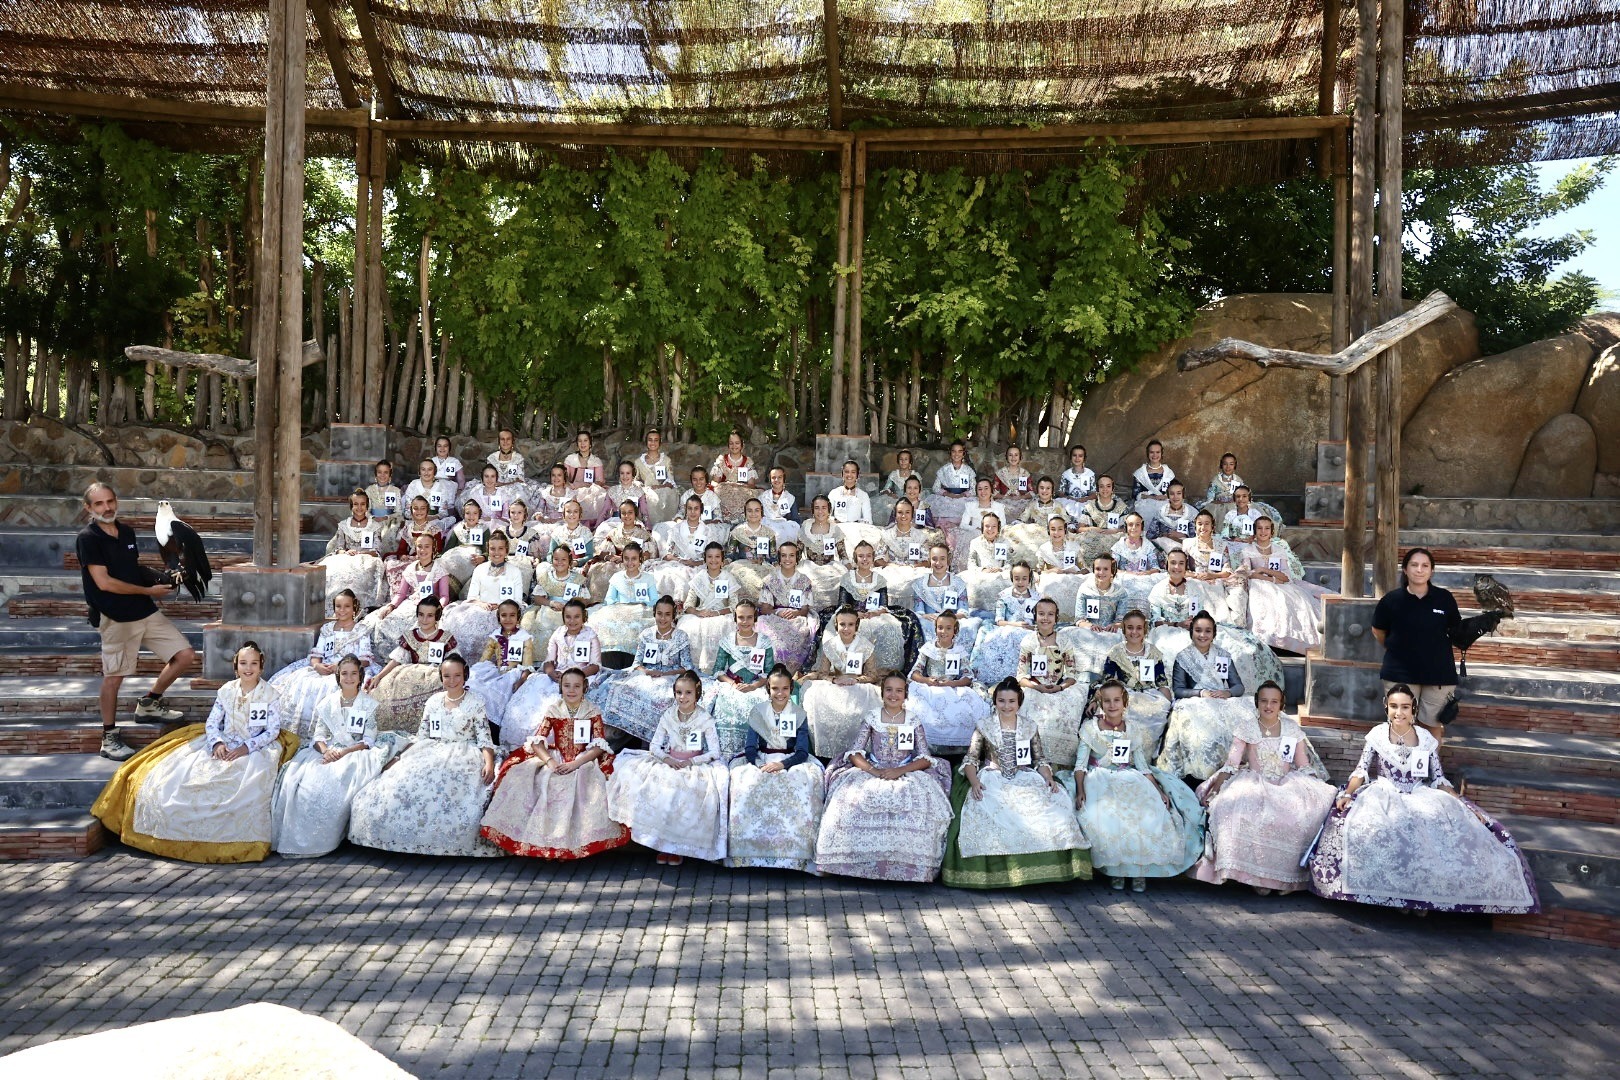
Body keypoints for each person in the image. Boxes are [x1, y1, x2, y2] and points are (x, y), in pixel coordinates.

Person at [1309, 684, 1539, 914]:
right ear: (1386, 707)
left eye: (1405, 707)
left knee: (1435, 827)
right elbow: (1361, 771)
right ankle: (1397, 896)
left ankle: (1422, 897)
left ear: (1414, 709)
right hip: (1383, 794)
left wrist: (1459, 801)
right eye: (1394, 706)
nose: (1399, 712)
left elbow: (1438, 778)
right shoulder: (1378, 734)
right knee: (1372, 825)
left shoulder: (1426, 738)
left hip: (1419, 793)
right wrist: (1348, 793)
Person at [90, 641, 295, 863]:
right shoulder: (226, 691)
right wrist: (216, 743)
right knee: (182, 778)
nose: (248, 668)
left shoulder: (270, 695)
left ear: (261, 667)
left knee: (247, 786)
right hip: (224, 742)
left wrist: (247, 747)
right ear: (235, 667)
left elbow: (272, 730)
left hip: (254, 747)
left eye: (254, 663)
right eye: (243, 663)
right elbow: (212, 723)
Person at [77, 482, 199, 759]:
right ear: (88, 508)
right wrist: (149, 590)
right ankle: (108, 737)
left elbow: (132, 569)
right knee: (114, 678)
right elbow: (103, 582)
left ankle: (149, 703)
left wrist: (164, 576)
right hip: (115, 616)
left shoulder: (126, 531)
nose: (106, 508)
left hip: (143, 610)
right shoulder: (88, 538)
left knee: (185, 655)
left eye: (110, 501)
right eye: (99, 504)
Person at [942, 677, 1092, 889]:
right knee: (988, 808)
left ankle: (1048, 869)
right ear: (995, 702)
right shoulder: (984, 726)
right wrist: (974, 782)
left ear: (1019, 703)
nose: (1006, 706)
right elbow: (971, 759)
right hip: (993, 776)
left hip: (1024, 776)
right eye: (1002, 701)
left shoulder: (1029, 726)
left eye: (1011, 701)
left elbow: (1039, 759)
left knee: (1053, 804)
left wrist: (1048, 777)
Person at [348, 654, 502, 857]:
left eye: (457, 675)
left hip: (464, 753)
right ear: (441, 677)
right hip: (430, 749)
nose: (452, 680)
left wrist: (489, 763)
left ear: (465, 675)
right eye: (447, 676)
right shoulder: (434, 701)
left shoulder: (475, 703)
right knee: (400, 784)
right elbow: (421, 735)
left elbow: (484, 738)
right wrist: (398, 758)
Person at [1193, 681, 1334, 894]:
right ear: (1257, 703)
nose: (1269, 706)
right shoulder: (1247, 727)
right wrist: (1218, 786)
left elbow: (1303, 763)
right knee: (1241, 811)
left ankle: (1286, 879)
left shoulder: (1292, 729)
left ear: (1281, 704)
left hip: (1286, 782)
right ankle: (1256, 877)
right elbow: (1232, 762)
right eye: (1264, 701)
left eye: (1274, 702)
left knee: (1301, 814)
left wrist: (1316, 785)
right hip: (1255, 781)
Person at [815, 673, 954, 883]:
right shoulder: (872, 717)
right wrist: (873, 771)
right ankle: (845, 861)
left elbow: (925, 757)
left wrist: (900, 771)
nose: (893, 695)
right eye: (889, 689)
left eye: (899, 691)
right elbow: (855, 752)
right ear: (882, 693)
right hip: (875, 769)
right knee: (849, 800)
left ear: (905, 695)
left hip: (904, 771)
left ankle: (908, 866)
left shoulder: (913, 720)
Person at [480, 667, 629, 859]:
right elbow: (538, 741)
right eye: (567, 685)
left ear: (584, 687)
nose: (571, 690)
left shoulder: (592, 711)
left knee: (584, 787)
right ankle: (544, 844)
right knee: (531, 778)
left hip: (583, 760)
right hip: (557, 757)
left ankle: (571, 844)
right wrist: (549, 761)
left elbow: (599, 745)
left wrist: (576, 763)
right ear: (561, 687)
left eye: (576, 686)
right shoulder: (553, 709)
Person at [1071, 679, 1205, 892]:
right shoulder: (1091, 728)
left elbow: (1143, 765)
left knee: (1145, 812)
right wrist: (1080, 790)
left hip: (1128, 776)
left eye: (1117, 700)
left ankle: (1139, 870)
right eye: (1107, 701)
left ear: (1125, 703)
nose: (1112, 705)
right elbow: (1080, 764)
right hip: (1100, 777)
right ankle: (1118, 871)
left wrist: (1158, 789)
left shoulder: (1132, 729)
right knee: (1110, 816)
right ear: (1101, 703)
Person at [270, 654, 389, 858]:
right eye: (344, 673)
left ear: (360, 676)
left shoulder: (368, 705)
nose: (349, 678)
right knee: (303, 781)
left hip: (355, 752)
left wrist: (343, 752)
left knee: (336, 780)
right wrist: (326, 751)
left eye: (353, 673)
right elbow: (318, 735)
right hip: (328, 751)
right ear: (338, 676)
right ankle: (302, 839)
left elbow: (368, 739)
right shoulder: (328, 703)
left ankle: (332, 837)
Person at [607, 670, 730, 866]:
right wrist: (666, 758)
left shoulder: (705, 719)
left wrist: (693, 762)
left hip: (692, 765)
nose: (683, 697)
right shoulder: (668, 715)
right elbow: (655, 745)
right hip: (670, 761)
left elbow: (715, 751)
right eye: (679, 693)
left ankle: (677, 847)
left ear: (697, 694)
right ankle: (661, 845)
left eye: (688, 693)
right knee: (657, 786)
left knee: (683, 791)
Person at [725, 665, 824, 872]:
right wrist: (759, 763)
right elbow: (750, 746)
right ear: (768, 689)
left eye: (785, 689)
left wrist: (782, 765)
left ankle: (796, 855)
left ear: (790, 690)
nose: (780, 693)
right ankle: (747, 852)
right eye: (775, 689)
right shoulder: (758, 712)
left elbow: (802, 751)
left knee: (803, 783)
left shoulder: (799, 713)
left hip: (791, 760)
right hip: (761, 758)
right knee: (745, 782)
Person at [1372, 547, 1462, 740]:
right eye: (1414, 565)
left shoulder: (1444, 598)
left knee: (1432, 727)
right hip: (1400, 673)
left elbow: (1456, 630)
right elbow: (1378, 630)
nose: (1419, 570)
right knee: (1401, 725)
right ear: (1405, 570)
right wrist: (1394, 648)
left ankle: (1429, 769)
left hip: (1438, 674)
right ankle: (1399, 770)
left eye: (1425, 565)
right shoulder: (1391, 600)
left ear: (1431, 571)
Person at [1155, 611, 1252, 781]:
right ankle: (1201, 774)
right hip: (1196, 702)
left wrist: (1227, 692)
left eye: (1208, 631)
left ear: (1214, 634)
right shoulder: (1183, 657)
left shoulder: (1223, 655)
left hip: (1222, 700)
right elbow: (1178, 690)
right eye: (1198, 630)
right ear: (1191, 632)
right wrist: (1200, 693)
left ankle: (1237, 766)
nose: (1202, 635)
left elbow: (1239, 686)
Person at [267, 589, 377, 734]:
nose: (342, 610)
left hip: (349, 668)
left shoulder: (361, 630)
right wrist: (317, 665)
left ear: (354, 608)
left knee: (334, 685)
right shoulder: (327, 629)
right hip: (325, 667)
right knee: (303, 681)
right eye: (338, 606)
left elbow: (365, 660)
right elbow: (317, 653)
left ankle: (334, 730)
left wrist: (341, 666)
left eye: (347, 606)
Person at [506, 598, 602, 742]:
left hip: (582, 675)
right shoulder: (558, 633)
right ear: (563, 617)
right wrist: (551, 672)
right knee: (534, 699)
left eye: (577, 617)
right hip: (558, 676)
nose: (572, 621)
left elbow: (595, 665)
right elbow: (549, 660)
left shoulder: (590, 635)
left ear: (584, 617)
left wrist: (576, 676)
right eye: (568, 617)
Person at [601, 595, 693, 742]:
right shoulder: (646, 634)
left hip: (671, 676)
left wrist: (664, 673)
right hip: (647, 675)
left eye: (667, 614)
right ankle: (625, 736)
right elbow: (637, 663)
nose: (663, 618)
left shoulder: (681, 636)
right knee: (620, 688)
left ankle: (654, 740)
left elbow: (687, 667)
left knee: (662, 696)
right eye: (659, 614)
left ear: (673, 616)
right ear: (654, 614)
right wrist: (647, 672)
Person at [1016, 597, 1088, 769]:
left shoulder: (1064, 642)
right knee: (1029, 705)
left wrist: (1060, 687)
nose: (1045, 618)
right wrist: (1036, 687)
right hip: (1034, 687)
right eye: (1041, 614)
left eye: (1050, 614)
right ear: (1035, 616)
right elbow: (1020, 675)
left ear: (1056, 618)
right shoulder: (1028, 642)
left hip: (1059, 687)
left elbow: (1071, 674)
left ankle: (1057, 760)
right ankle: (1030, 758)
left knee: (1066, 706)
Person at [366, 596, 458, 731]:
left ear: (437, 616)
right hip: (411, 672)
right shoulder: (410, 636)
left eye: (430, 616)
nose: (424, 620)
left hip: (437, 674)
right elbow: (397, 659)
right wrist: (379, 676)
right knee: (390, 689)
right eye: (421, 615)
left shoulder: (445, 637)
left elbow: (455, 661)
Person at [1240, 515, 1328, 653]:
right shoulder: (1248, 550)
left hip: (1282, 585)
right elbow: (1248, 573)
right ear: (1255, 531)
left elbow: (1286, 577)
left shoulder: (1279, 550)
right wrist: (1273, 579)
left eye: (1267, 528)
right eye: (1260, 528)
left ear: (1272, 531)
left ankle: (1294, 641)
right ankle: (1271, 641)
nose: (1263, 532)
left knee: (1297, 602)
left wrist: (1263, 570)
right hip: (1258, 584)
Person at [800, 606, 881, 756]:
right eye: (842, 624)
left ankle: (859, 750)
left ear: (856, 625)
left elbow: (873, 675)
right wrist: (835, 679)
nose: (846, 628)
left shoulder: (866, 646)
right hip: (835, 684)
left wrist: (855, 679)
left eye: (850, 624)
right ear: (836, 625)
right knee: (816, 698)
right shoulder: (829, 646)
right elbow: (823, 673)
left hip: (858, 686)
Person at [908, 610, 992, 748]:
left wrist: (952, 683)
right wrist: (927, 680)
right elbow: (915, 673)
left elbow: (968, 677)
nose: (944, 632)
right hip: (931, 687)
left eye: (948, 628)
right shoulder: (928, 648)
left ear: (955, 630)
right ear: (935, 629)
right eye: (940, 628)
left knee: (966, 705)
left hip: (952, 686)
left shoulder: (959, 650)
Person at [708, 601, 777, 757]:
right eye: (741, 617)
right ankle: (727, 752)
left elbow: (769, 672)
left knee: (757, 705)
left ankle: (753, 751)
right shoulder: (727, 640)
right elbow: (718, 670)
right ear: (735, 619)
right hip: (732, 686)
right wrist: (733, 683)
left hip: (756, 686)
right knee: (727, 704)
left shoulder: (764, 641)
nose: (745, 622)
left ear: (755, 619)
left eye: (749, 617)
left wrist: (754, 686)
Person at [442, 530, 523, 663]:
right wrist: (481, 604)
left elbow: (517, 600)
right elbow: (472, 596)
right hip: (481, 606)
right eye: (492, 549)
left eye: (500, 548)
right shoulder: (480, 569)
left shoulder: (515, 572)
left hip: (506, 610)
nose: (496, 552)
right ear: (488, 549)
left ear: (507, 550)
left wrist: (502, 606)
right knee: (463, 624)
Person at [1100, 609, 1174, 750]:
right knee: (1125, 711)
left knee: (1160, 709)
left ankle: (1145, 753)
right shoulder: (1116, 652)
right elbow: (1107, 680)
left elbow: (1161, 681)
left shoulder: (1153, 652)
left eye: (1139, 628)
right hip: (1125, 694)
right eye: (1130, 628)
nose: (1134, 632)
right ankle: (1123, 753)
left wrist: (1169, 703)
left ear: (1145, 630)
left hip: (1149, 694)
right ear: (1123, 629)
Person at [369, 532, 452, 647]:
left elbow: (445, 596)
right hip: (412, 604)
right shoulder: (410, 569)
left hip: (431, 607)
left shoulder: (440, 570)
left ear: (433, 548)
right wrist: (391, 606)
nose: (423, 550)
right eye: (419, 546)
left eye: (427, 546)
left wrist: (437, 609)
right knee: (388, 622)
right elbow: (401, 594)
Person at [968, 559, 1039, 685]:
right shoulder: (1004, 596)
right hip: (1008, 627)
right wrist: (1017, 625)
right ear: (1012, 578)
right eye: (1017, 578)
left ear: (1029, 579)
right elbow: (999, 621)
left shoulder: (1036, 597)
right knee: (1009, 635)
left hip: (1030, 630)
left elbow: (1039, 618)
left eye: (1024, 578)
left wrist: (1034, 626)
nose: (1020, 582)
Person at [467, 599, 534, 730]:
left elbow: (527, 664)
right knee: (476, 683)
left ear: (518, 617)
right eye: (504, 615)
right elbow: (484, 659)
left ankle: (494, 726)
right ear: (499, 617)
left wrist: (522, 680)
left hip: (514, 673)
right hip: (498, 671)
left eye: (512, 615)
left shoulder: (525, 637)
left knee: (499, 691)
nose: (508, 619)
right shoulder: (495, 636)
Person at [320, 490, 389, 611]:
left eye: (363, 504)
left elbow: (377, 550)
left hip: (367, 558)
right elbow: (339, 548)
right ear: (351, 506)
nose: (359, 507)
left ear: (367, 506)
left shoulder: (375, 526)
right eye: (356, 504)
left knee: (362, 572)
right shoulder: (343, 525)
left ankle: (359, 608)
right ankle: (335, 607)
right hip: (346, 557)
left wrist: (361, 553)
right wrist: (346, 552)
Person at [756, 541, 818, 671]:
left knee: (800, 627)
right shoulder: (769, 579)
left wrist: (796, 613)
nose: (787, 559)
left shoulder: (804, 580)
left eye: (791, 555)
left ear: (797, 558)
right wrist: (777, 613)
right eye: (784, 555)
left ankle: (788, 670)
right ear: (779, 558)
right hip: (774, 615)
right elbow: (765, 608)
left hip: (796, 617)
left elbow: (805, 609)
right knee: (766, 629)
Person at [680, 542, 740, 671]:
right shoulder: (699, 578)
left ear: (722, 559)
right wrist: (698, 613)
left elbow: (734, 605)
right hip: (701, 614)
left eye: (717, 557)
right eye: (710, 557)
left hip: (722, 615)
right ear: (705, 559)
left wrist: (717, 613)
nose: (713, 560)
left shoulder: (728, 578)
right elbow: (688, 605)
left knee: (720, 627)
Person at [594, 541, 660, 655]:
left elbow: (654, 600)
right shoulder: (617, 577)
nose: (630, 562)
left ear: (640, 559)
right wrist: (618, 605)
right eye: (626, 558)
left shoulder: (648, 578)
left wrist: (645, 603)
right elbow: (608, 599)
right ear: (622, 559)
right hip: (620, 611)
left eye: (634, 559)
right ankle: (614, 653)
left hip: (641, 611)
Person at [911, 542, 976, 646]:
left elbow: (963, 611)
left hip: (953, 620)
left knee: (967, 626)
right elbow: (919, 612)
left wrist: (949, 619)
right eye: (934, 559)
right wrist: (926, 616)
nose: (938, 563)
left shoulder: (958, 583)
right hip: (929, 621)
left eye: (942, 558)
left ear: (948, 560)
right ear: (929, 560)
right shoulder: (919, 584)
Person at [710, 430, 761, 521]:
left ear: (742, 444)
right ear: (728, 445)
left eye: (737, 443)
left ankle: (741, 519)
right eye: (731, 443)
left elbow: (751, 484)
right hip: (724, 491)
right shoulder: (722, 460)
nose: (734, 446)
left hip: (743, 490)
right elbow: (715, 481)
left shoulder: (747, 461)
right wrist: (723, 486)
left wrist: (739, 486)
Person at [633, 429, 681, 523]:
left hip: (664, 491)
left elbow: (671, 481)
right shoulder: (638, 462)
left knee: (667, 493)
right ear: (646, 442)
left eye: (656, 440)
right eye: (650, 440)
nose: (653, 442)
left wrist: (660, 487)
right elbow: (635, 479)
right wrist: (641, 486)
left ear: (660, 442)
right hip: (646, 490)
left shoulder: (666, 460)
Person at [563, 431, 609, 525]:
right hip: (573, 488)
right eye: (580, 441)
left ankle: (594, 524)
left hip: (590, 490)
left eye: (585, 440)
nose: (582, 443)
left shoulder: (596, 461)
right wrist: (574, 485)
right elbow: (564, 478)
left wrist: (591, 486)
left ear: (590, 443)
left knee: (602, 496)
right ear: (577, 444)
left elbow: (600, 481)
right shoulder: (570, 459)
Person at [403, 458, 457, 531]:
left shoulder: (441, 487)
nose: (426, 473)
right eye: (423, 469)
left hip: (433, 521)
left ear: (434, 472)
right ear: (419, 472)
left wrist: (430, 518)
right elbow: (407, 511)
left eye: (429, 469)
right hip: (414, 519)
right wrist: (417, 518)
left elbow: (443, 513)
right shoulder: (413, 485)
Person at [1147, 481, 1199, 554]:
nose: (1175, 497)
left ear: (1183, 495)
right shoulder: (1161, 512)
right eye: (1172, 494)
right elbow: (1151, 535)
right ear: (1168, 495)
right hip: (1163, 544)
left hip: (1184, 544)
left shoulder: (1191, 513)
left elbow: (1196, 537)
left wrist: (1184, 535)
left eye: (1179, 493)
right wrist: (1164, 534)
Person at [727, 497, 779, 565]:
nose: (753, 513)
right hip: (742, 568)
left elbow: (773, 558)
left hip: (763, 567)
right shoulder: (737, 532)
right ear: (745, 513)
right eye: (749, 511)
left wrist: (775, 565)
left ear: (762, 513)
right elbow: (729, 556)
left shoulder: (769, 533)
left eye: (757, 510)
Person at [1131, 439, 1175, 517]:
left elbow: (1173, 492)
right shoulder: (1140, 473)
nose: (1155, 455)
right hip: (1145, 506)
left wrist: (1165, 496)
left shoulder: (1168, 473)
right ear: (1147, 454)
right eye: (1152, 452)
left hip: (1165, 505)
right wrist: (1151, 497)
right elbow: (1135, 494)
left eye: (1158, 452)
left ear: (1162, 453)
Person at [760, 466, 803, 545]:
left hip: (783, 529)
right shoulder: (763, 497)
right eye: (774, 477)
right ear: (770, 479)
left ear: (784, 479)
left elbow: (795, 519)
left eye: (779, 477)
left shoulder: (790, 498)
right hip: (766, 526)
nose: (776, 480)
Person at [604, 461, 651, 528]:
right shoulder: (612, 491)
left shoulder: (639, 492)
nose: (625, 476)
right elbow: (604, 511)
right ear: (619, 474)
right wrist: (597, 527)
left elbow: (644, 513)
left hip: (632, 522)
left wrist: (648, 527)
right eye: (622, 473)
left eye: (628, 473)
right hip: (614, 522)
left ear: (633, 474)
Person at [829, 460, 873, 524]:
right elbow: (826, 516)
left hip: (856, 530)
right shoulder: (834, 493)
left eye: (853, 472)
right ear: (842, 474)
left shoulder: (863, 495)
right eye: (846, 472)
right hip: (837, 529)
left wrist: (856, 523)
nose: (849, 475)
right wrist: (835, 520)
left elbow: (868, 520)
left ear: (857, 475)